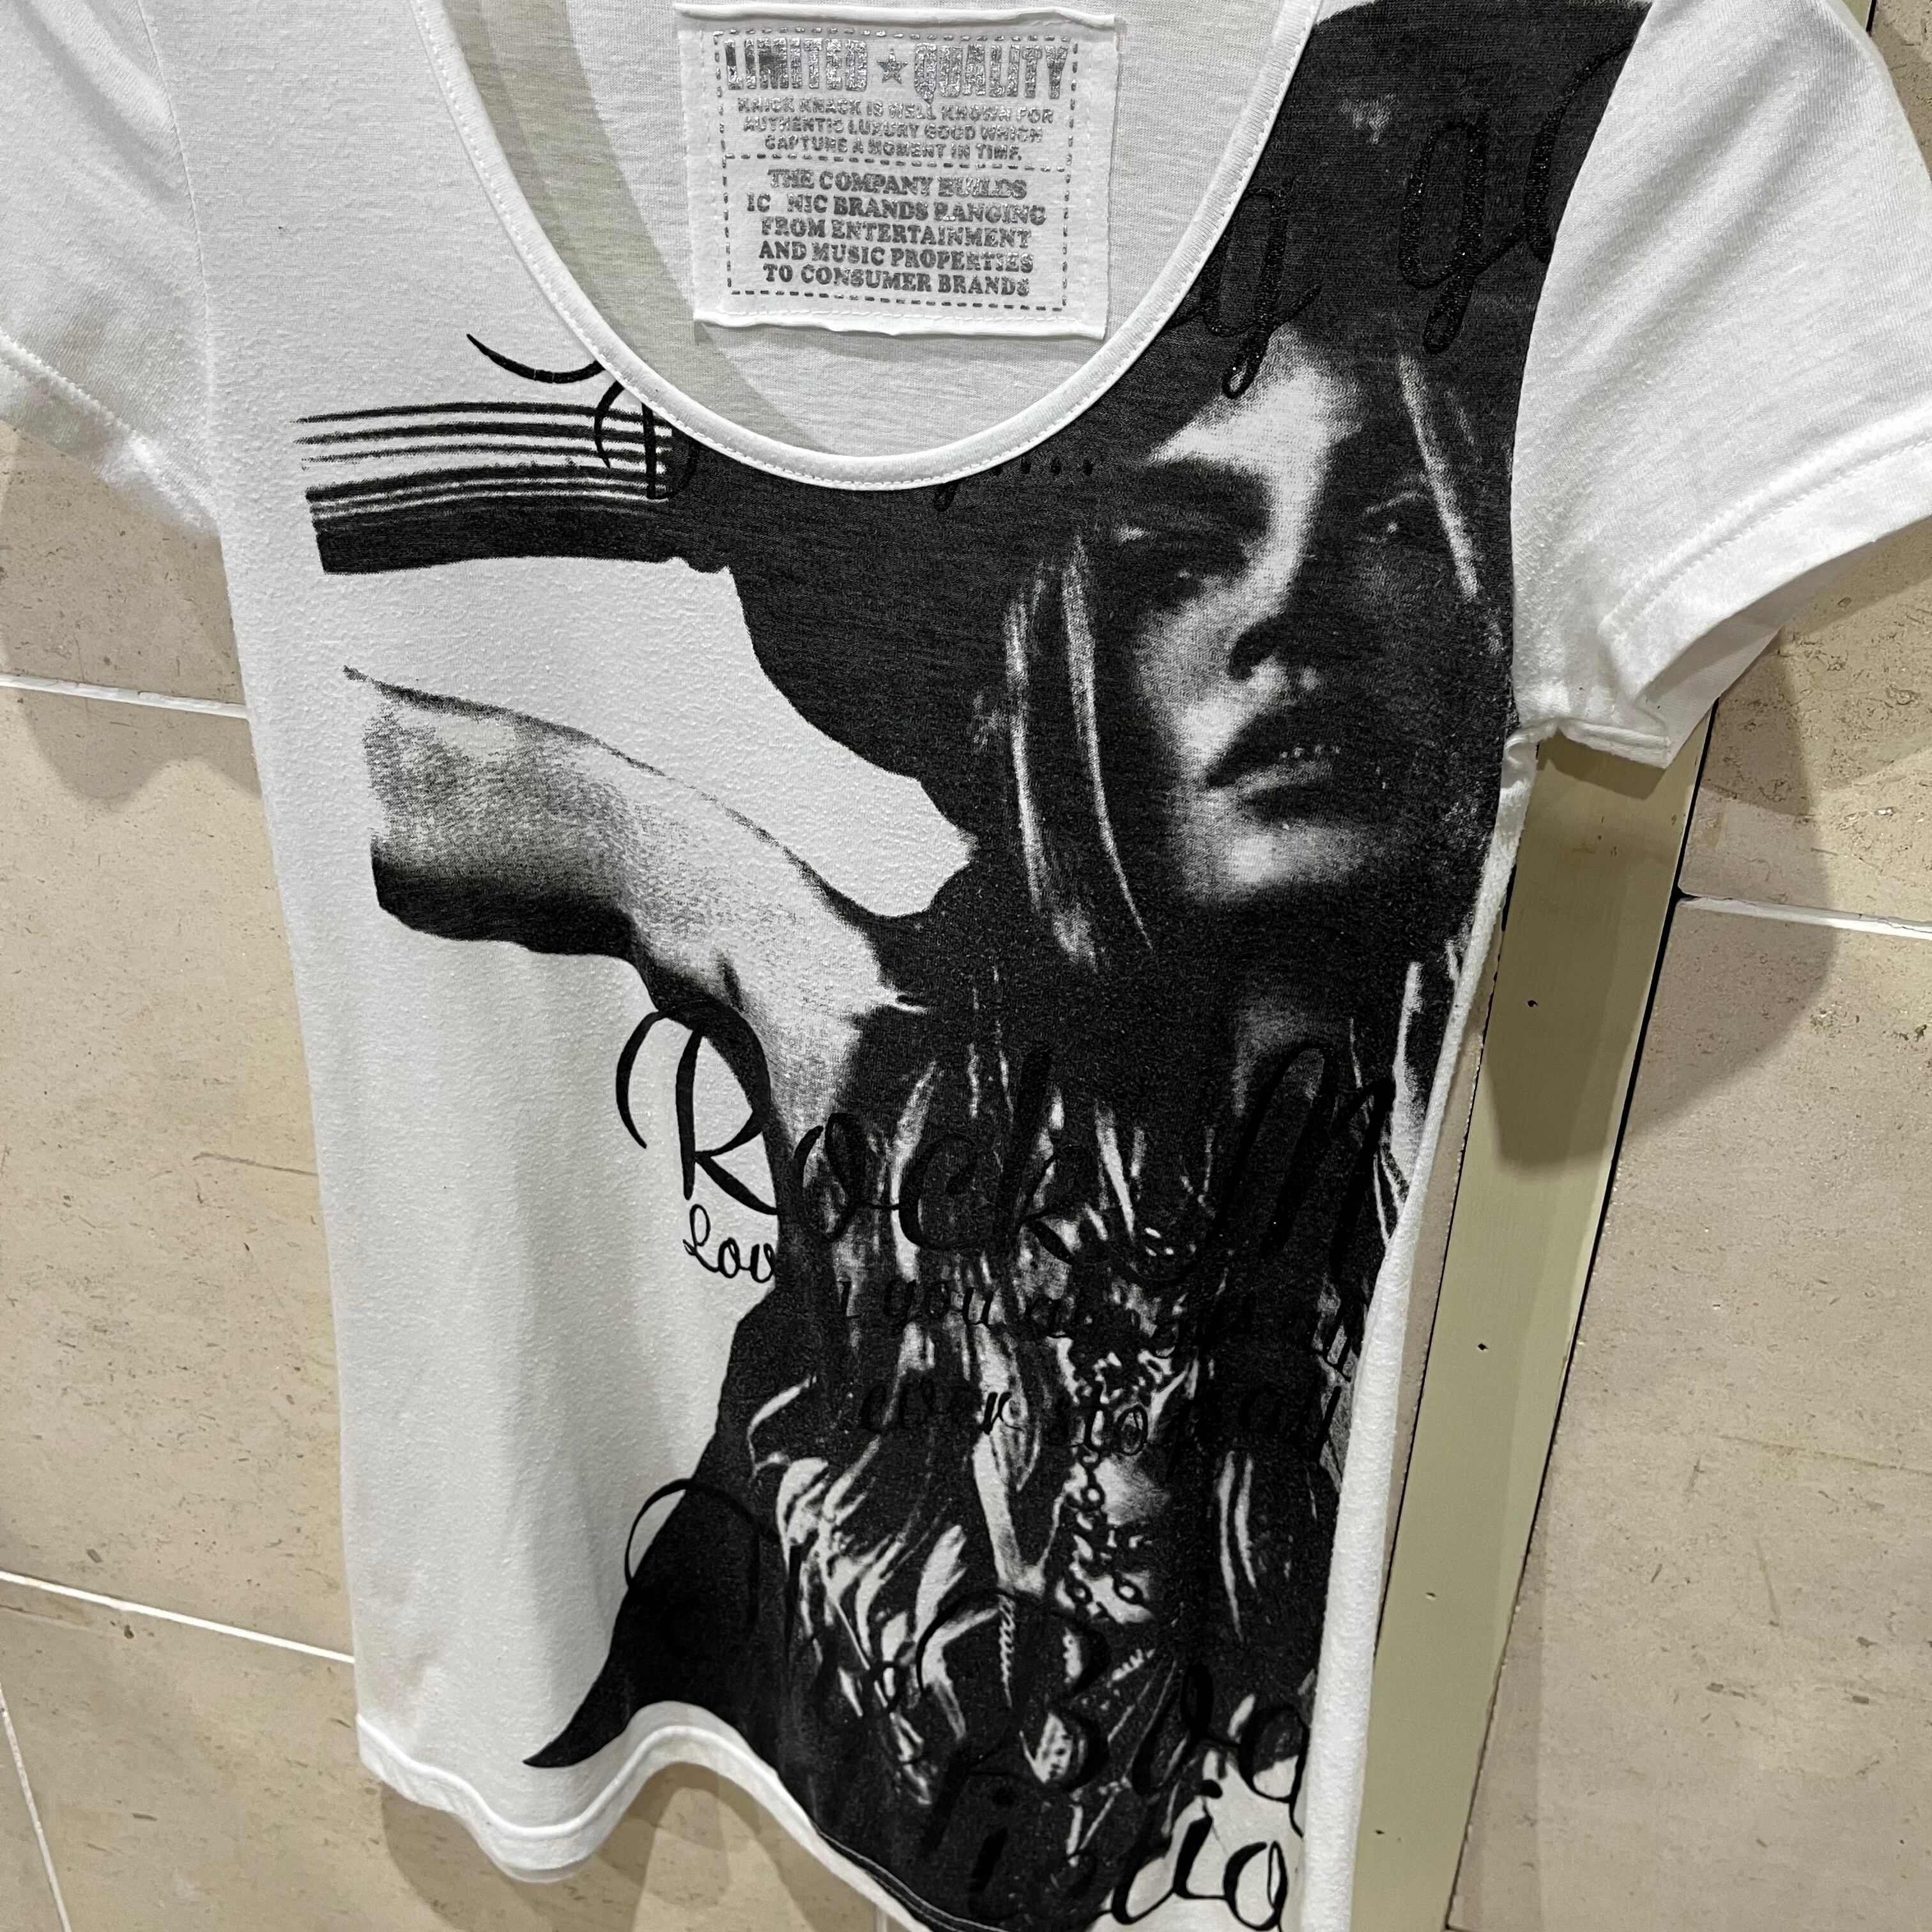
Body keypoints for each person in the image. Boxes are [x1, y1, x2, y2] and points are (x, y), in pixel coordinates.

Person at [356, 282, 1514, 1929]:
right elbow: (367, 739)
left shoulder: (1487, 1134)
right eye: (1178, 556)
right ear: (1045, 673)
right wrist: (687, 845)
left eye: (1393, 525)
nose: (1294, 623)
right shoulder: (877, 1059)